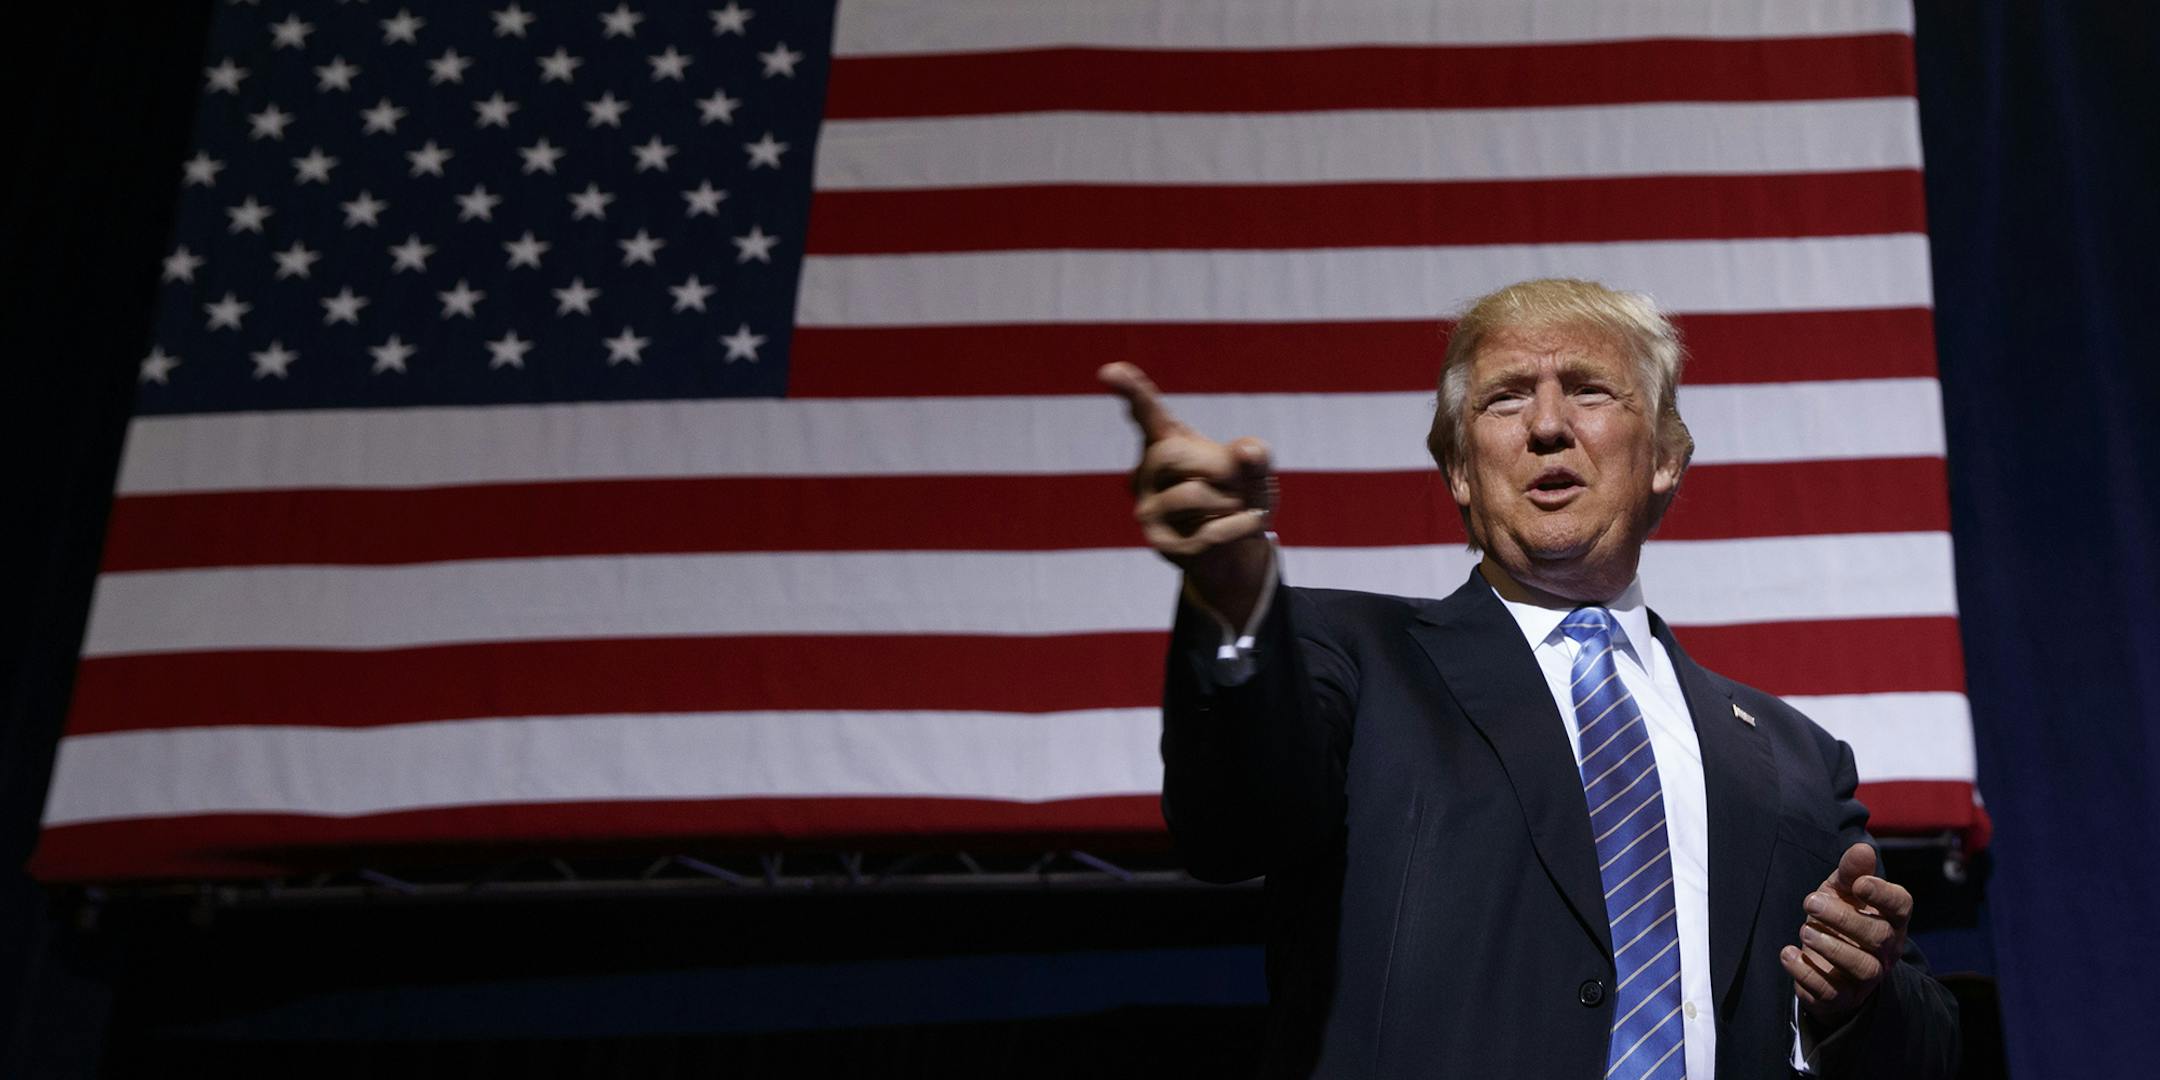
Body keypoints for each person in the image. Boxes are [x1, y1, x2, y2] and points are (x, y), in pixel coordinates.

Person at [1099, 279, 1959, 1079]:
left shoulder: (1794, 755)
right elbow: (1232, 828)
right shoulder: (1347, 653)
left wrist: (1858, 1001)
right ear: (1461, 472)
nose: (1547, 424)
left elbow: (1929, 1051)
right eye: (1506, 397)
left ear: (1665, 458)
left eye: (1588, 389)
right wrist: (1233, 598)